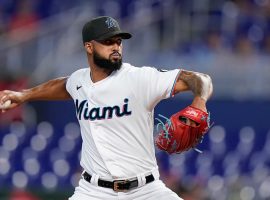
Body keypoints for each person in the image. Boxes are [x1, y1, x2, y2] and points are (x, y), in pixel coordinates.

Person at [0, 16, 213, 200]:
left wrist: (199, 102)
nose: (116, 47)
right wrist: (24, 95)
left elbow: (199, 79)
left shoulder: (139, 78)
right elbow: (63, 86)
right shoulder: (79, 80)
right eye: (108, 41)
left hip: (145, 190)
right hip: (93, 191)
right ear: (89, 47)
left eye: (119, 41)